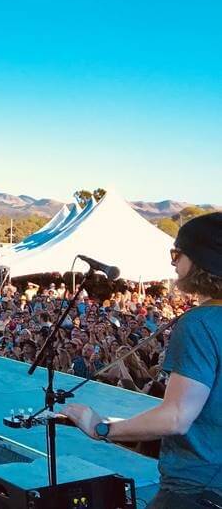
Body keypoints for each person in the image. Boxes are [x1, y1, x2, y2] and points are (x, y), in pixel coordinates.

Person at [62, 213, 222, 508]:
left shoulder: (200, 323)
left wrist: (103, 429)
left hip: (198, 487)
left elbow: (177, 417)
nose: (173, 262)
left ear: (203, 259)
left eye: (177, 253)